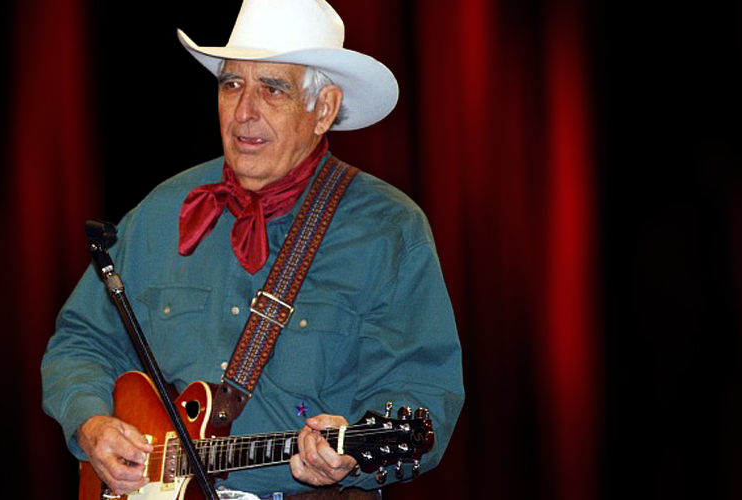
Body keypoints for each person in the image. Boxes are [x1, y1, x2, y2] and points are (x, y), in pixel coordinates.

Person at [41, 0, 464, 497]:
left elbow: (423, 389)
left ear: (323, 109)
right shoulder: (162, 212)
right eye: (232, 84)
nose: (244, 111)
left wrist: (347, 456)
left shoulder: (389, 231)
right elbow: (80, 341)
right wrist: (91, 424)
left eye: (272, 88)